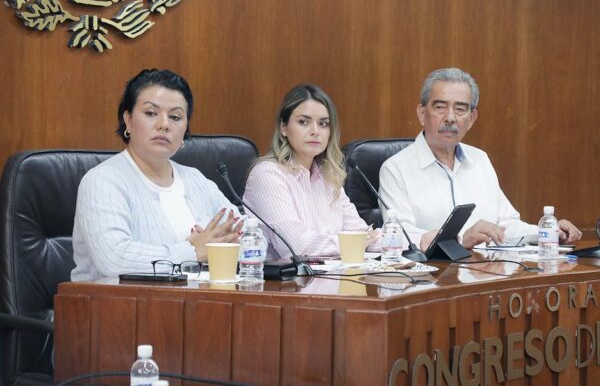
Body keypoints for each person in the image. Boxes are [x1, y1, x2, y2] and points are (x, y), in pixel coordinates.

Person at [379, 67, 582, 250]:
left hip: (484, 272)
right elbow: (400, 235)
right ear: (422, 113)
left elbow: (505, 225)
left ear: (471, 119)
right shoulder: (396, 168)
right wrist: (461, 240)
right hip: (432, 276)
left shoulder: (480, 160)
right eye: (440, 107)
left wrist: (547, 233)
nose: (450, 118)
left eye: (460, 109)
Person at [71, 69, 242, 281]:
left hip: (200, 297)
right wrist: (192, 251)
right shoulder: (102, 181)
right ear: (128, 120)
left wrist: (225, 244)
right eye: (151, 113)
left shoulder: (195, 179)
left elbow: (251, 237)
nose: (164, 125)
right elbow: (114, 260)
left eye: (175, 117)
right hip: (116, 300)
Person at [243, 84, 381, 259]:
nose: (315, 131)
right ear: (283, 127)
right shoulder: (266, 175)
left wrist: (406, 238)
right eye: (303, 122)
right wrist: (354, 243)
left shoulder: (329, 177)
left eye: (323, 124)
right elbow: (296, 246)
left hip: (333, 274)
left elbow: (363, 234)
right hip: (286, 277)